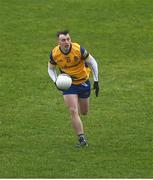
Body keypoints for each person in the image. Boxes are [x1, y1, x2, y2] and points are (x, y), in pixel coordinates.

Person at [48, 30, 99, 147]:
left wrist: (96, 80)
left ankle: (81, 131)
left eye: (68, 39)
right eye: (63, 40)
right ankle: (82, 138)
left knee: (84, 112)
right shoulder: (55, 53)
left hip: (83, 82)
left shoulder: (78, 49)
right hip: (68, 84)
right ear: (58, 42)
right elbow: (50, 69)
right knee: (73, 110)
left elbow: (93, 62)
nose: (66, 42)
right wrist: (56, 81)